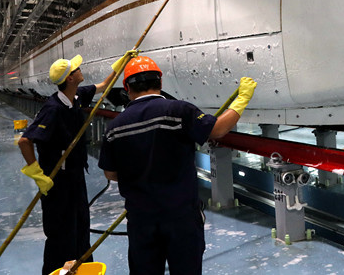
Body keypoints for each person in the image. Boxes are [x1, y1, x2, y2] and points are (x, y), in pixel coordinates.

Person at [97, 56, 257, 275]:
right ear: (160, 83)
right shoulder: (179, 111)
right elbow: (218, 130)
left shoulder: (115, 127)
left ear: (127, 88)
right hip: (181, 217)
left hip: (141, 219)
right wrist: (242, 100)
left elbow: (110, 173)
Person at [18, 51, 134, 275]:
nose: (80, 70)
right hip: (56, 181)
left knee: (81, 227)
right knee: (60, 233)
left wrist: (121, 64)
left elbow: (103, 86)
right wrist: (37, 174)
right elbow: (25, 141)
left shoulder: (77, 96)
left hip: (75, 176)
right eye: (76, 69)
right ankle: (56, 271)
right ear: (69, 78)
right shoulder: (52, 109)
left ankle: (83, 268)